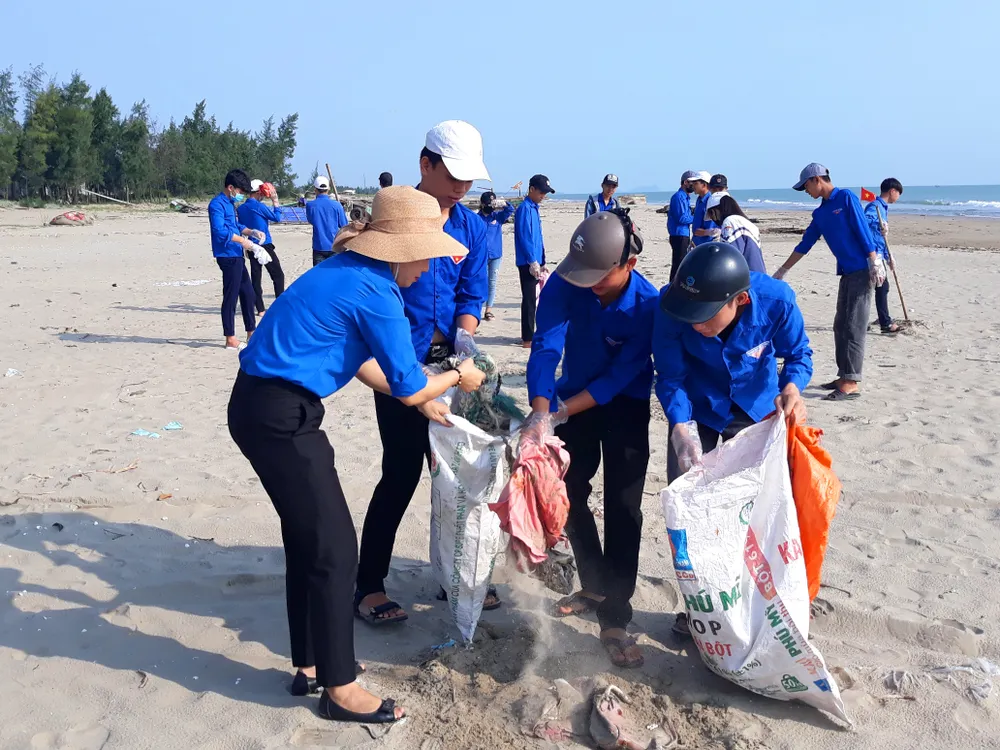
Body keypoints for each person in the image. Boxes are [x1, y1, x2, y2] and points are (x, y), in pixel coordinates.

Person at [229, 187, 486, 724]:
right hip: (281, 417)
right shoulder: (377, 292)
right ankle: (340, 689)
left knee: (308, 542)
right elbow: (410, 382)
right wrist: (458, 377)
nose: (429, 265)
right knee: (337, 551)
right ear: (403, 249)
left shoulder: (346, 269)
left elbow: (364, 364)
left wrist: (423, 405)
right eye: (428, 253)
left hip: (261, 405)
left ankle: (311, 665)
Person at [355, 120, 492, 626]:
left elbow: (472, 293)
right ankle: (368, 583)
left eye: (469, 178)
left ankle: (452, 575)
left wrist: (465, 339)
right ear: (425, 164)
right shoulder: (394, 221)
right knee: (402, 470)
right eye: (453, 174)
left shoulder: (473, 229)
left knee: (456, 474)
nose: (461, 187)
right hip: (397, 363)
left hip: (451, 362)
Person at [653, 241, 813, 634]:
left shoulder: (776, 301)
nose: (696, 325)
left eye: (706, 317)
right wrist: (680, 428)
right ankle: (702, 607)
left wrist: (793, 388)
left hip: (754, 408)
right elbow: (670, 377)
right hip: (697, 409)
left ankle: (761, 599)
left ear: (739, 300)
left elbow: (799, 355)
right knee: (690, 510)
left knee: (759, 511)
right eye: (690, 316)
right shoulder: (674, 308)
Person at [526, 209, 658, 669]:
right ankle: (594, 583)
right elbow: (545, 348)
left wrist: (565, 409)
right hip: (569, 399)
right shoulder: (565, 284)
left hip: (624, 401)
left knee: (624, 504)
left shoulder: (647, 304)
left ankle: (617, 612)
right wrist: (543, 413)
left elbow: (622, 374)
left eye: (601, 278)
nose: (590, 285)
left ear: (630, 265)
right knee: (568, 493)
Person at [773, 163, 883, 401]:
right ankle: (843, 375)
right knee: (840, 324)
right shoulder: (820, 213)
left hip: (863, 269)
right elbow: (805, 244)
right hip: (846, 272)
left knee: (854, 325)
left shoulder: (845, 198)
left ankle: (851, 382)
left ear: (816, 180)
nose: (807, 193)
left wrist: (874, 259)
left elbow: (862, 229)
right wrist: (783, 269)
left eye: (806, 187)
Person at [208, 169, 267, 350]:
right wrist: (245, 242)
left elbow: (234, 225)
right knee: (231, 297)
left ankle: (251, 332)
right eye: (240, 192)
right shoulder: (216, 205)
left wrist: (250, 232)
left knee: (248, 294)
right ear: (231, 188)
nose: (241, 196)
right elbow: (220, 231)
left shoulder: (230, 204)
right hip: (227, 255)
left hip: (237, 254)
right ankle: (230, 338)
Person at [514, 174, 555, 347]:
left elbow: (538, 237)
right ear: (532, 190)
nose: (543, 196)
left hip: (536, 259)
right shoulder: (524, 208)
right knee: (529, 299)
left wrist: (542, 260)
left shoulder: (535, 208)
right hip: (527, 262)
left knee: (537, 298)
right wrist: (532, 261)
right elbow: (525, 236)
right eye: (541, 192)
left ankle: (532, 333)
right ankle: (528, 338)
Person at [238, 179, 286, 315]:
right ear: (259, 192)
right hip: (265, 244)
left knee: (256, 277)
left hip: (251, 245)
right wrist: (275, 201)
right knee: (278, 275)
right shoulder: (259, 206)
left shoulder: (241, 208)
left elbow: (240, 226)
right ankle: (279, 305)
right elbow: (277, 217)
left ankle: (260, 308)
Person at [864, 177, 903, 334]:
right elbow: (864, 222)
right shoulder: (875, 206)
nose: (898, 197)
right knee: (879, 287)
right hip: (871, 254)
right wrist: (877, 223)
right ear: (892, 191)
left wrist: (889, 257)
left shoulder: (883, 208)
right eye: (898, 193)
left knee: (875, 287)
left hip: (879, 252)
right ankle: (885, 323)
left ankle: (865, 320)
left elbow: (882, 237)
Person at [704, 191, 765, 272]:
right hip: (758, 275)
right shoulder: (745, 222)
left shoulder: (730, 222)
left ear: (716, 210)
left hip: (747, 278)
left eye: (711, 214)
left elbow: (731, 256)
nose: (713, 219)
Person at [478, 190, 515, 322]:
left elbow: (510, 209)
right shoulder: (477, 219)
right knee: (480, 282)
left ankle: (488, 310)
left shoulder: (497, 217)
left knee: (492, 282)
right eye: (488, 203)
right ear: (482, 204)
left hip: (496, 255)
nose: (490, 206)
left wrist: (503, 203)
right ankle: (477, 309)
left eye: (493, 203)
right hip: (480, 256)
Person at [306, 175, 349, 267]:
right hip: (335, 246)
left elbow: (311, 220)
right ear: (328, 189)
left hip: (319, 246)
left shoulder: (310, 205)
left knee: (319, 276)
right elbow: (344, 225)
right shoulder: (337, 205)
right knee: (334, 275)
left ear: (315, 189)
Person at [667, 171, 695, 282]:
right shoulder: (679, 197)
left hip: (683, 234)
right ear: (685, 182)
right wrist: (697, 218)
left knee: (681, 264)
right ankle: (672, 288)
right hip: (679, 235)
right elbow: (682, 218)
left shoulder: (686, 198)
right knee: (678, 265)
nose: (693, 185)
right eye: (692, 182)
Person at [690, 171, 719, 247]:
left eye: (696, 183)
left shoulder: (711, 201)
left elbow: (712, 230)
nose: (693, 186)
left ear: (704, 185)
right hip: (697, 243)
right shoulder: (699, 199)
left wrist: (702, 232)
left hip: (707, 245)